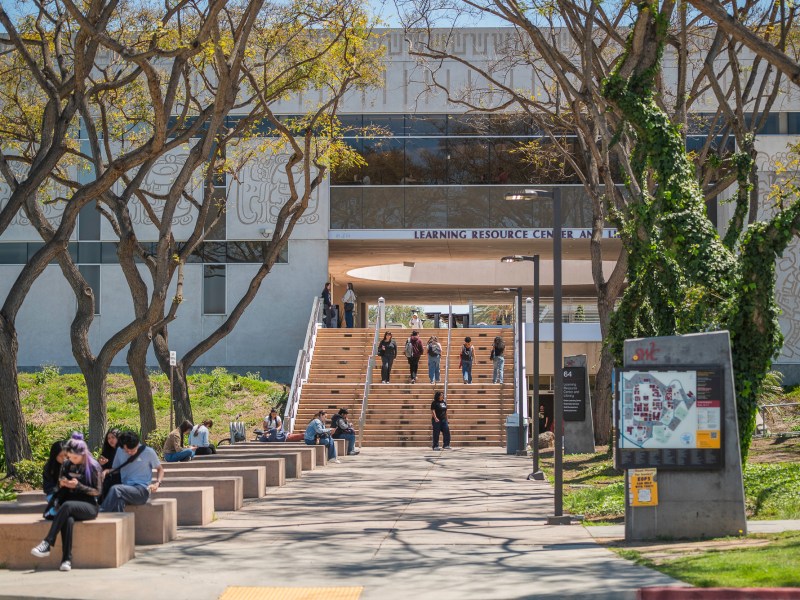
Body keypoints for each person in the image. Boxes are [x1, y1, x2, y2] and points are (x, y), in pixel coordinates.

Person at [31, 434, 102, 572]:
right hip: (69, 503)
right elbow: (59, 484)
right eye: (69, 457)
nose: (70, 460)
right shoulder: (67, 464)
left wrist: (78, 486)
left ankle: (47, 542)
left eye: (74, 457)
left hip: (89, 506)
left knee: (67, 507)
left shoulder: (93, 467)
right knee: (67, 519)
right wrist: (63, 484)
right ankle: (66, 560)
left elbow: (98, 492)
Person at [100, 430, 163, 513]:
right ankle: (120, 524)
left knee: (116, 489)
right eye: (126, 451)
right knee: (118, 502)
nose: (129, 453)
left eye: (132, 450)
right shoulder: (119, 450)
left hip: (141, 491)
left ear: (137, 444)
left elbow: (160, 469)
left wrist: (157, 483)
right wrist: (106, 471)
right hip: (126, 489)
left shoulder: (149, 452)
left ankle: (100, 513)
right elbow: (116, 469)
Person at [42, 440, 67, 518]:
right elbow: (48, 487)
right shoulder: (49, 467)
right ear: (54, 455)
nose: (64, 458)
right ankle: (52, 511)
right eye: (60, 456)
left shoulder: (73, 465)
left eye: (66, 455)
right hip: (53, 493)